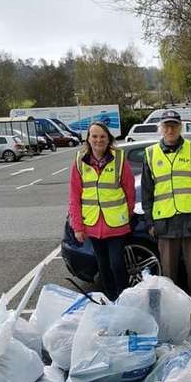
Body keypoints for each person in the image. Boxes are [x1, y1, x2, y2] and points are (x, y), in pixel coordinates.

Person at [140, 110, 191, 308]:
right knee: (169, 270)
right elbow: (146, 192)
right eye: (166, 126)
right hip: (164, 223)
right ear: (161, 129)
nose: (170, 129)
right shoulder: (150, 153)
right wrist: (149, 222)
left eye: (174, 125)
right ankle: (172, 306)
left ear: (180, 127)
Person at [68, 122, 135, 301]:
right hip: (92, 223)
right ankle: (112, 299)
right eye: (94, 136)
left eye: (102, 136)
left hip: (116, 224)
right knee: (103, 265)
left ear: (108, 139)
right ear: (88, 139)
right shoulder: (80, 162)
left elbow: (130, 191)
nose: (98, 140)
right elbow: (74, 196)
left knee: (116, 263)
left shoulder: (119, 159)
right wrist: (77, 226)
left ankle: (125, 297)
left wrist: (126, 214)